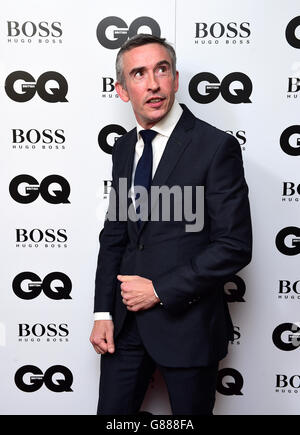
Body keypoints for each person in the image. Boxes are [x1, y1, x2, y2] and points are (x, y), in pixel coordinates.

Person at [90, 34, 252, 415]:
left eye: (161, 70)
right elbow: (115, 236)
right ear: (123, 89)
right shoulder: (124, 148)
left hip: (189, 328)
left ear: (176, 79)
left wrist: (160, 290)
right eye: (139, 73)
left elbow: (234, 246)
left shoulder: (215, 147)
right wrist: (102, 313)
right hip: (125, 329)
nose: (153, 83)